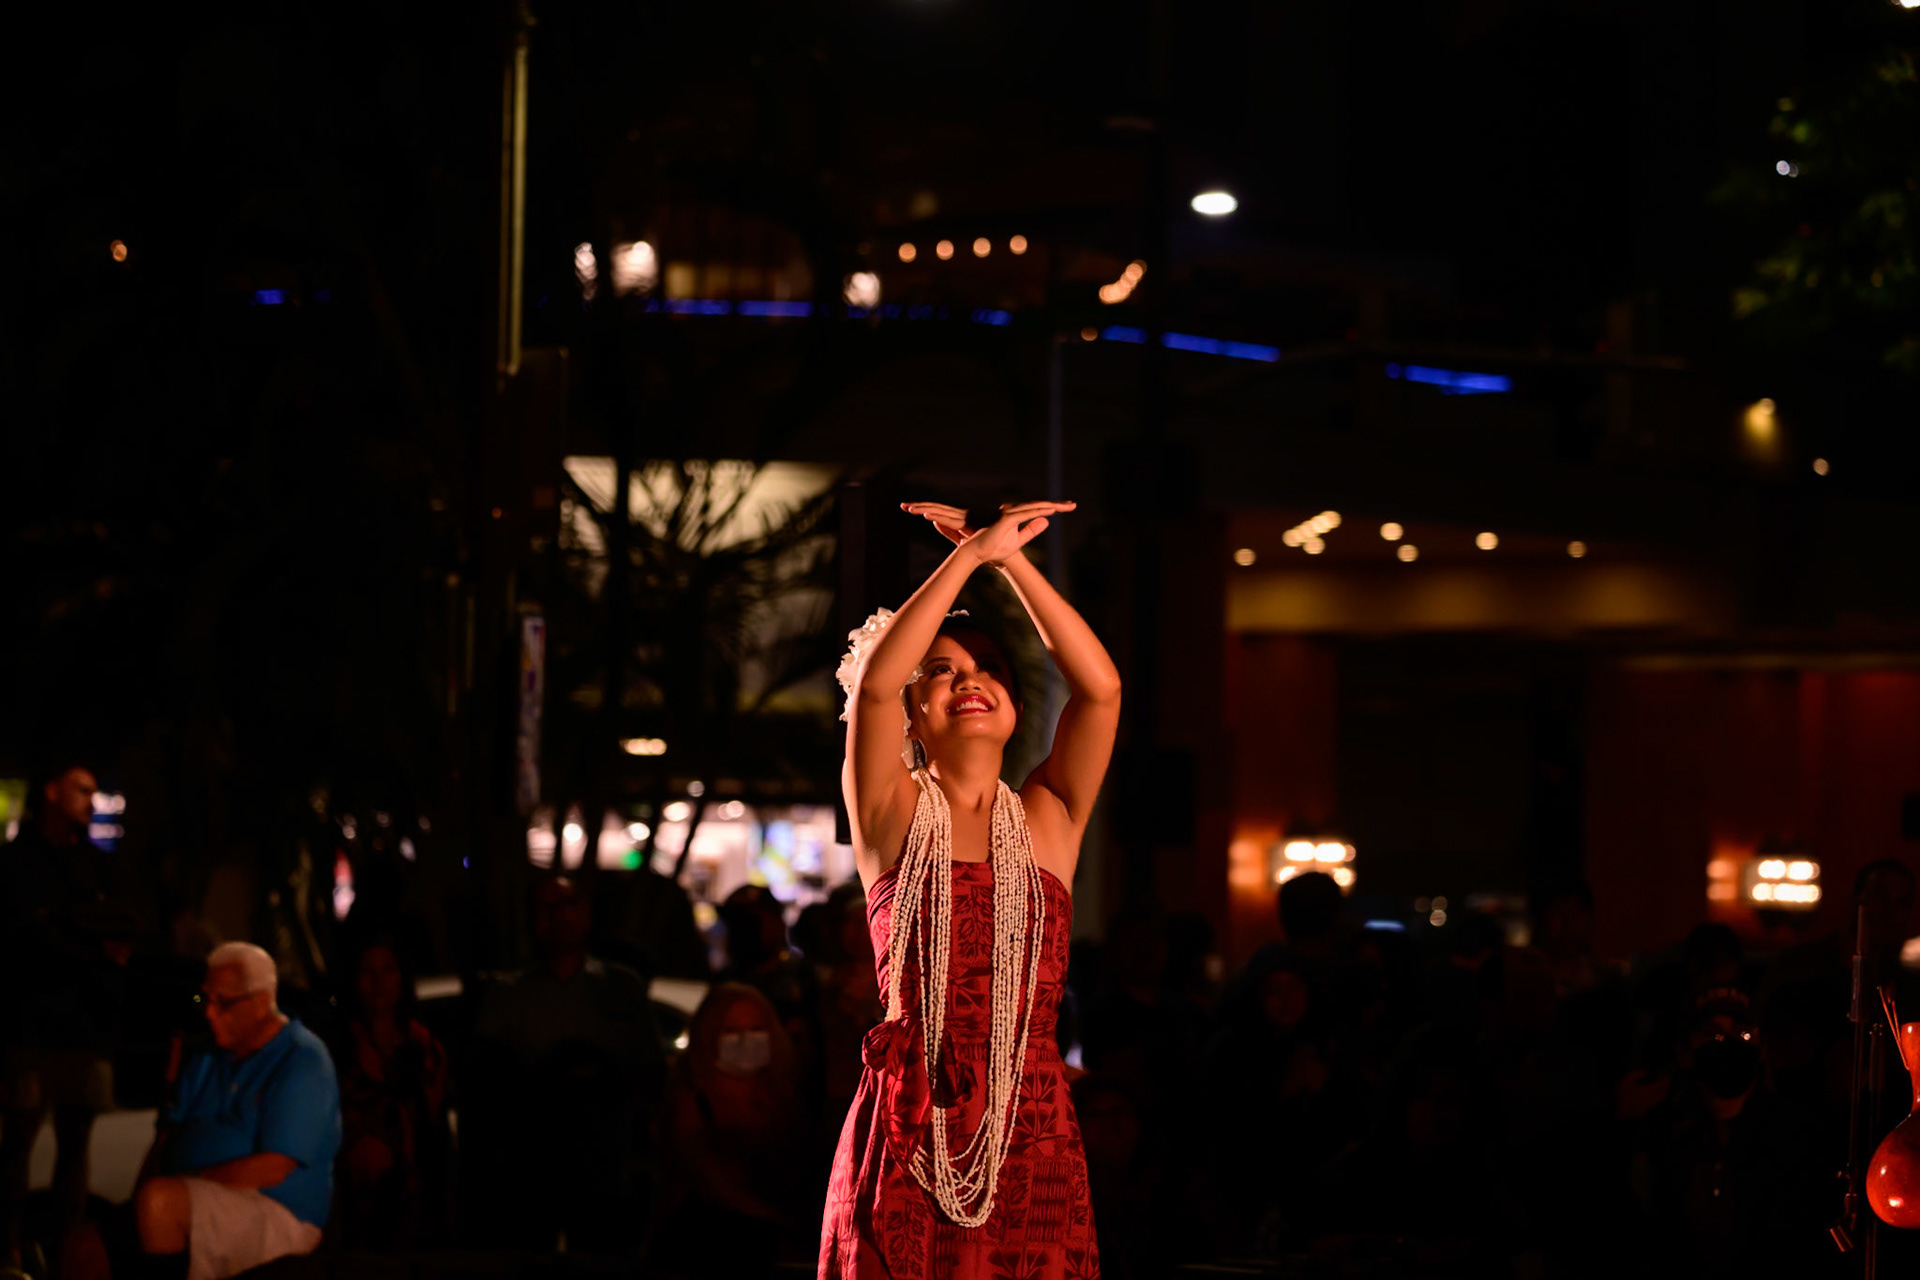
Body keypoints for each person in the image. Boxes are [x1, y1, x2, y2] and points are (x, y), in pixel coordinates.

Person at [820, 499, 1120, 1279]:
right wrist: (966, 557)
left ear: (1017, 702)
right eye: (941, 671)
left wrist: (1009, 560)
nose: (970, 680)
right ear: (911, 712)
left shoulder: (1050, 817)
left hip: (1032, 1126)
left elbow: (1100, 691)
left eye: (989, 668)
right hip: (914, 1125)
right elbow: (876, 686)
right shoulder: (888, 810)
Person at [66, 942, 339, 1280]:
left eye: (223, 1002)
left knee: (160, 1205)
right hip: (188, 1198)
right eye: (204, 1000)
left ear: (261, 1003)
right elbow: (168, 1136)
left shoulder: (302, 1059)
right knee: (83, 1247)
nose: (209, 1013)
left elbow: (273, 1167)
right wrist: (144, 1190)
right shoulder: (209, 1056)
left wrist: (181, 1184)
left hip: (275, 1209)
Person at [465, 874, 664, 1253]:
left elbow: (649, 1073)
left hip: (607, 1169)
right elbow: (487, 1082)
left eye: (567, 905)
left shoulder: (622, 988)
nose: (558, 916)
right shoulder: (507, 994)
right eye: (545, 907)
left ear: (586, 914)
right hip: (530, 1170)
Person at [0, 762, 138, 1273]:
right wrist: (85, 941)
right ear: (53, 791)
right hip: (31, 1028)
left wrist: (69, 933)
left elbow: (122, 926)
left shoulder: (93, 864)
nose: (90, 800)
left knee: (75, 1148)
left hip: (83, 1027)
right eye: (81, 789)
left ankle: (65, 1255)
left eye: (93, 791)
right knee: (16, 1144)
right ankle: (9, 1250)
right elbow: (25, 935)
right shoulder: (19, 861)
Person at [653, 984, 808, 1278]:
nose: (746, 1039)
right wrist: (771, 1217)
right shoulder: (692, 1101)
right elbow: (705, 1174)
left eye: (756, 1028)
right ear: (708, 1034)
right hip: (703, 1249)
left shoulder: (783, 1098)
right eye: (731, 1030)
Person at [331, 939, 451, 1250]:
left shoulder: (425, 1047)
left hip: (419, 1203)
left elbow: (437, 1128)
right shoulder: (337, 1049)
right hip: (353, 1206)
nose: (378, 981)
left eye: (388, 969)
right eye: (367, 971)